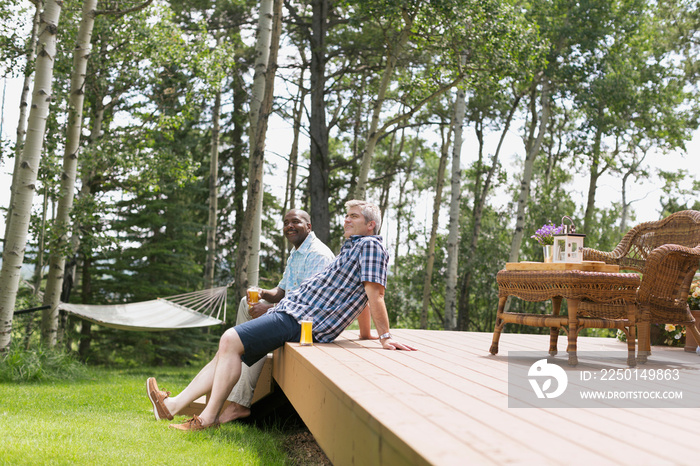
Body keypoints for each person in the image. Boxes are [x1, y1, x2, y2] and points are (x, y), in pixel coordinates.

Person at [147, 200, 416, 431]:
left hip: (302, 318)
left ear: (371, 225)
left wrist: (385, 336)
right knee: (227, 348)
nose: (346, 220)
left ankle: (206, 419)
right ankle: (171, 406)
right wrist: (366, 333)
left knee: (230, 340)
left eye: (354, 216)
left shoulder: (370, 246)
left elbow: (374, 293)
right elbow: (363, 296)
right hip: (293, 310)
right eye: (346, 215)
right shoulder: (354, 246)